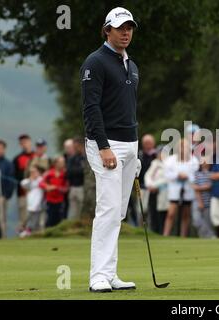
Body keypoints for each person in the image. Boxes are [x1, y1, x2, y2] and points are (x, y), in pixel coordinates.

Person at [80, 7, 140, 292]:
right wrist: (103, 146)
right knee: (108, 209)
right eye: (120, 28)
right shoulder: (96, 62)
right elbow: (91, 109)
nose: (126, 32)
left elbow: (128, 110)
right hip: (106, 144)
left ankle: (110, 273)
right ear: (107, 30)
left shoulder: (131, 64)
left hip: (130, 144)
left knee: (118, 212)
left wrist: (135, 152)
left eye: (129, 27)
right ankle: (98, 277)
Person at [163, 139, 199, 237]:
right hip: (174, 189)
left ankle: (183, 236)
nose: (183, 149)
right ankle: (166, 235)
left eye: (186, 147)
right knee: (171, 214)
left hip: (188, 189)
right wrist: (177, 175)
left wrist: (187, 176)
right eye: (181, 146)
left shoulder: (193, 160)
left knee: (185, 214)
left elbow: (195, 175)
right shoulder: (170, 160)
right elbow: (166, 174)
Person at [144, 145, 169, 234]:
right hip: (152, 191)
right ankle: (154, 232)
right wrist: (150, 185)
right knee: (152, 211)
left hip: (164, 192)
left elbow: (167, 178)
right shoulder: (154, 163)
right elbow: (148, 175)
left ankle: (162, 232)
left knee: (163, 213)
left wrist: (155, 186)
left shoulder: (169, 164)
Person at [13, 134, 35, 232]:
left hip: (36, 193)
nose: (25, 144)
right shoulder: (17, 158)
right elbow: (15, 176)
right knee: (23, 217)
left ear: (30, 142)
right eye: (22, 143)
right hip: (22, 193)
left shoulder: (36, 156)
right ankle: (23, 234)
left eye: (26, 142)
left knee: (36, 216)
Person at [39, 156, 68, 227]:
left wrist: (58, 188)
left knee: (59, 219)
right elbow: (41, 183)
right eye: (61, 162)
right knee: (49, 219)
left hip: (60, 201)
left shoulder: (64, 174)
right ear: (55, 163)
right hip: (50, 200)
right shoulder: (49, 173)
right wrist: (48, 187)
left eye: (63, 162)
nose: (63, 164)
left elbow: (66, 188)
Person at [192, 156, 215, 238]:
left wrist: (199, 187)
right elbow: (195, 187)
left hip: (209, 201)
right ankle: (209, 235)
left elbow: (210, 186)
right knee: (196, 220)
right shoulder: (197, 174)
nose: (204, 163)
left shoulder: (212, 173)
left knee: (208, 221)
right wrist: (200, 202)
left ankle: (208, 237)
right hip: (198, 201)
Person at [137, 134, 157, 228]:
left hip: (155, 188)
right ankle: (141, 229)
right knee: (142, 210)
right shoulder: (140, 155)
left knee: (153, 211)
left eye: (150, 142)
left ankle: (152, 229)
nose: (148, 145)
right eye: (146, 143)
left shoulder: (156, 155)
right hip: (142, 187)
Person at [19, 165, 44, 237]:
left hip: (39, 203)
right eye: (32, 172)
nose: (34, 173)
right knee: (28, 218)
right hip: (30, 203)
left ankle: (33, 232)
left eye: (35, 172)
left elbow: (43, 184)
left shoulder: (41, 179)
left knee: (37, 220)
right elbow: (23, 184)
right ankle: (24, 231)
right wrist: (31, 179)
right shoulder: (27, 181)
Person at [66, 137, 86, 220]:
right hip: (73, 187)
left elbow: (86, 172)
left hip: (83, 187)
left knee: (82, 210)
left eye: (76, 146)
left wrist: (79, 171)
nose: (75, 148)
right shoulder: (72, 158)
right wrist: (81, 170)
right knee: (72, 212)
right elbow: (69, 172)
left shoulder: (87, 157)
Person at [0, 139, 15, 239]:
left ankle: (3, 238)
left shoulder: (8, 164)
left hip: (1, 196)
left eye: (0, 148)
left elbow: (11, 181)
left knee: (2, 219)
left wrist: (6, 195)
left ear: (4, 149)